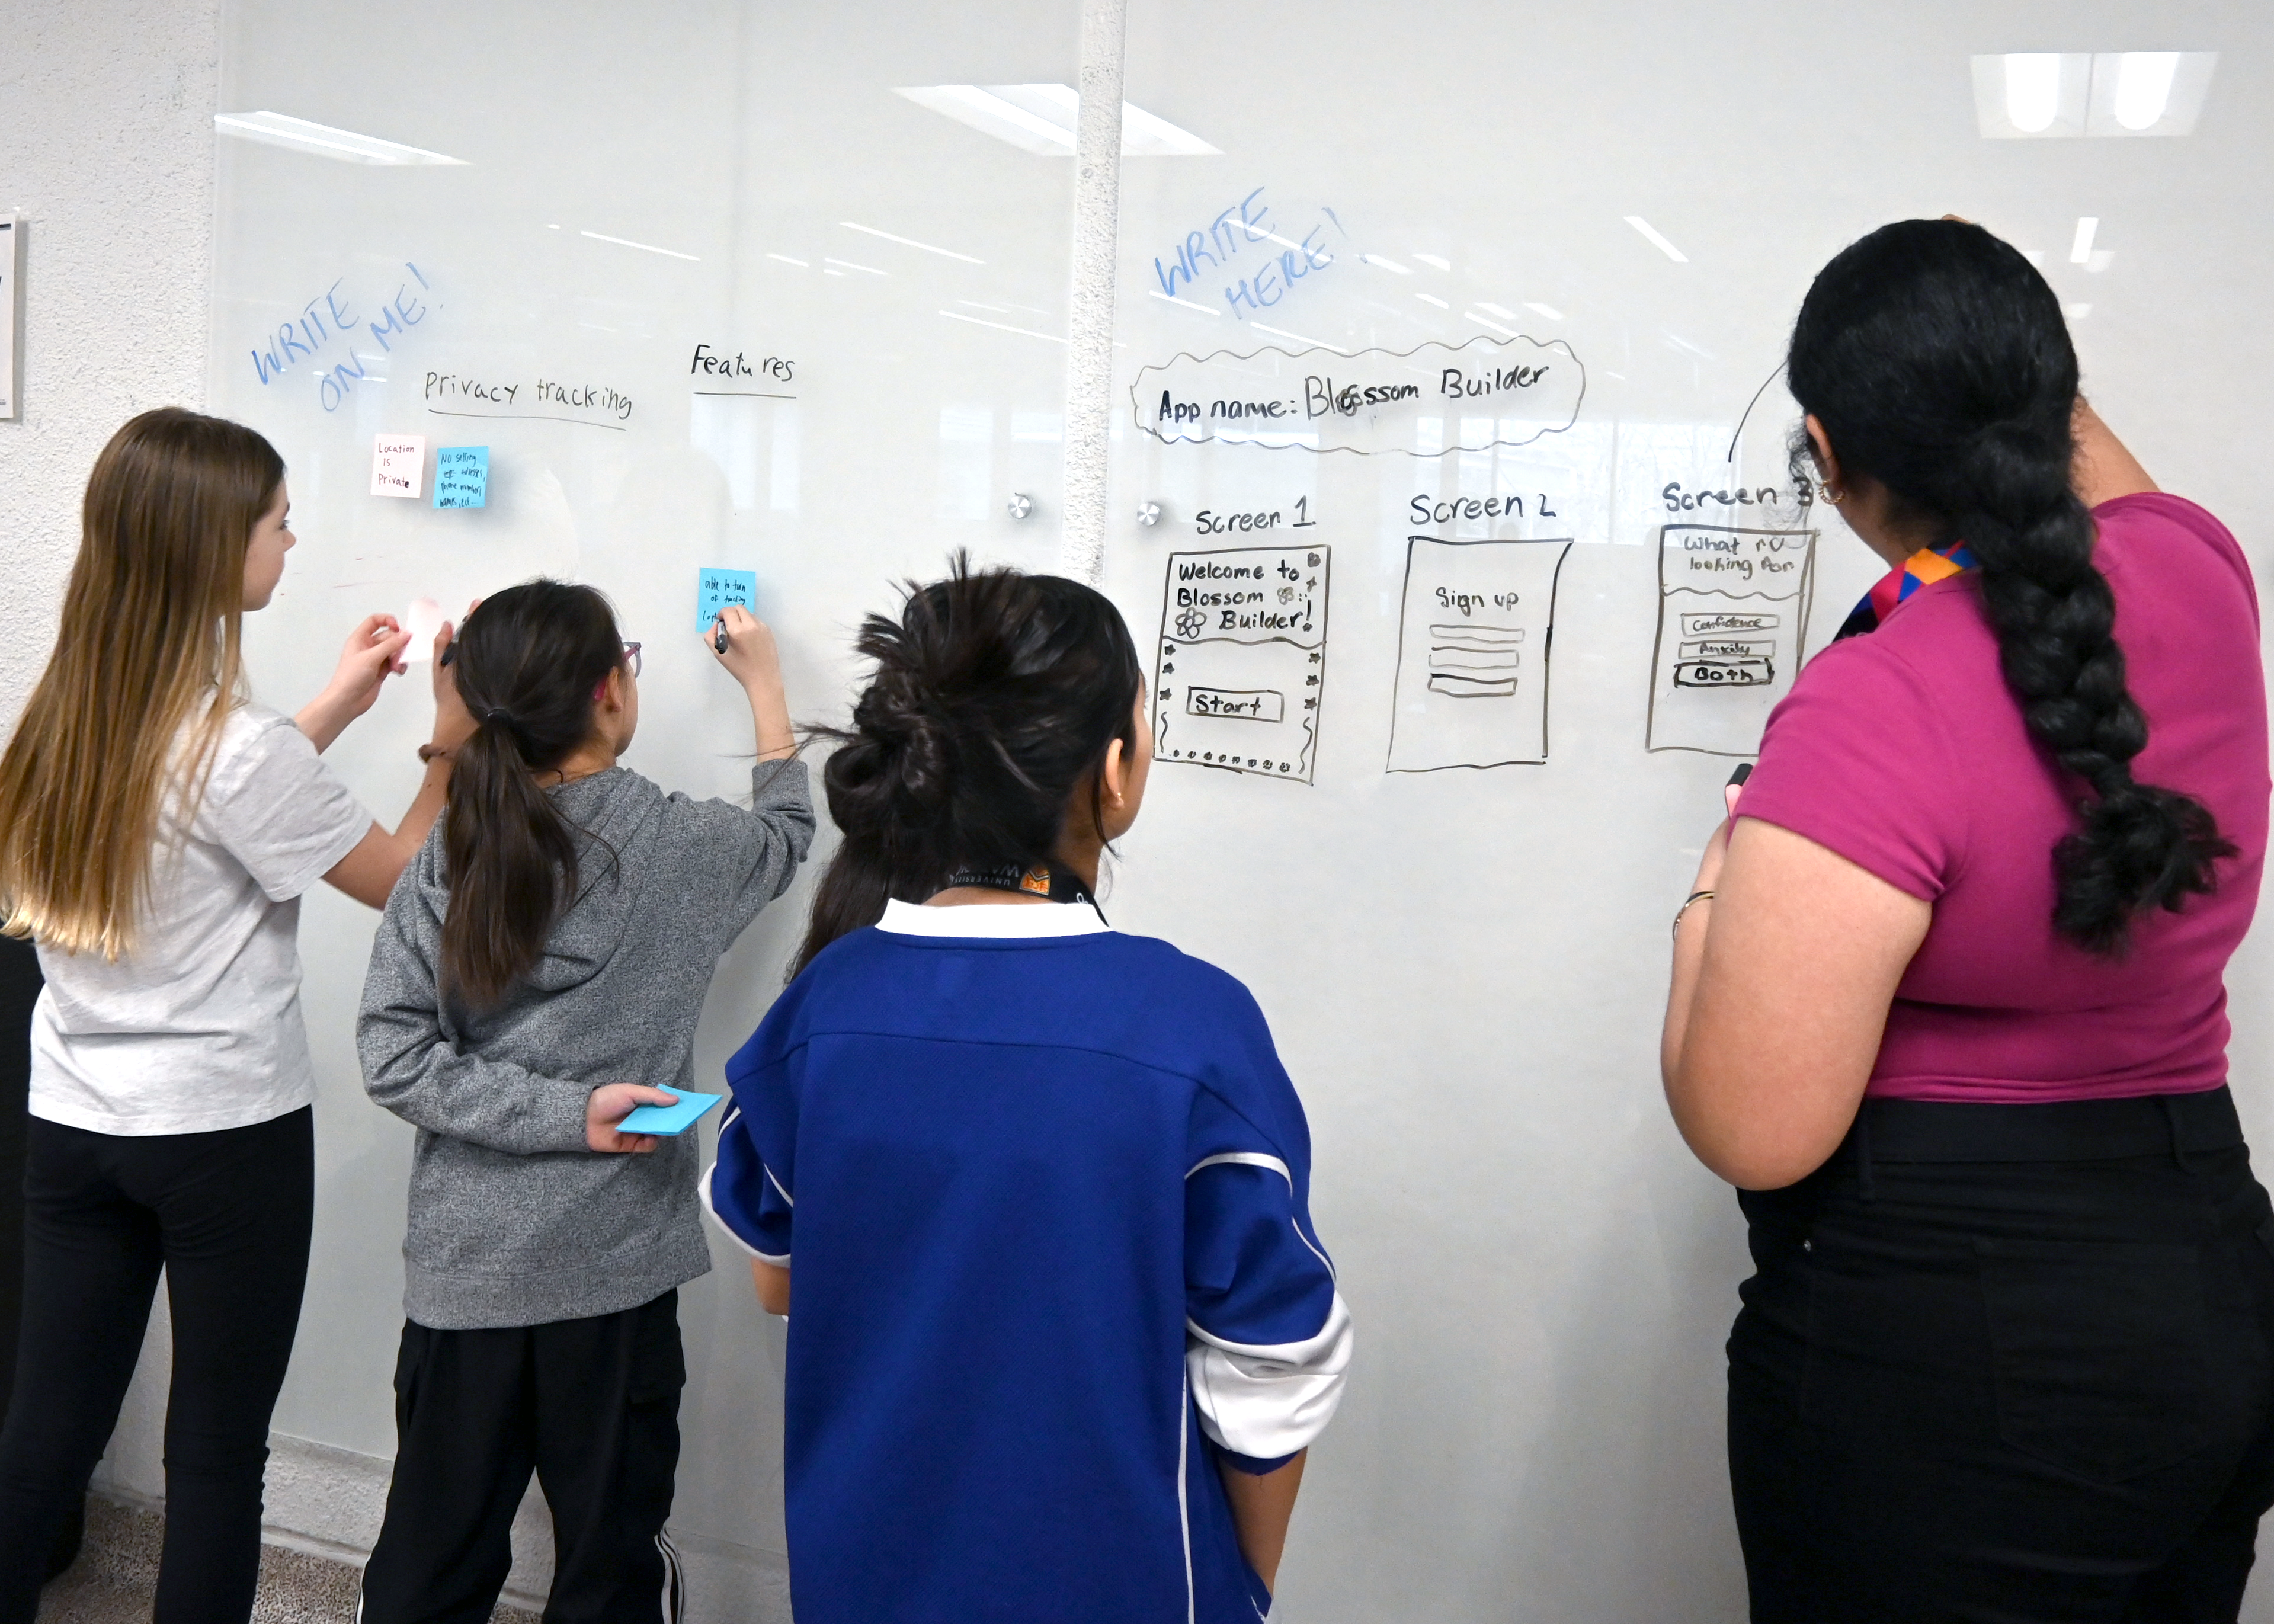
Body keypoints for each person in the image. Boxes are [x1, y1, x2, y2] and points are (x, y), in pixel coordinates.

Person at [1661, 218, 2274, 1622]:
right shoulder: (2196, 568)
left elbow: (1753, 1128)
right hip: (2205, 1286)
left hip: (1948, 1352)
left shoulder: (1873, 703)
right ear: (2054, 389)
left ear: (1825, 449)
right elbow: (2081, 458)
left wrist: (1712, 881)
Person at [701, 558, 1352, 1624]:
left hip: (865, 1568)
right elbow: (1276, 1358)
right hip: (1127, 1578)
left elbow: (782, 1278)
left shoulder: (824, 1006)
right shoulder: (1189, 1026)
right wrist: (1246, 1584)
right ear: (1114, 771)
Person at [0, 406, 470, 1623]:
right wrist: (446, 751)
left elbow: (197, 813)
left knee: (44, 1429)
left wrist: (333, 705)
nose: (294, 538)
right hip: (220, 1138)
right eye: (277, 520)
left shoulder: (61, 720)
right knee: (213, 1456)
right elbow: (406, 884)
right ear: (216, 548)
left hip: (71, 1126)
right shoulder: (236, 747)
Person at [354, 581, 813, 1624]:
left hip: (466, 1277)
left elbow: (393, 1053)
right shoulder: (687, 848)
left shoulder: (452, 849)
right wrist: (767, 684)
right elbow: (787, 832)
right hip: (615, 1277)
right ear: (610, 691)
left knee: (428, 1562)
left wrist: (557, 1112)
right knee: (609, 1568)